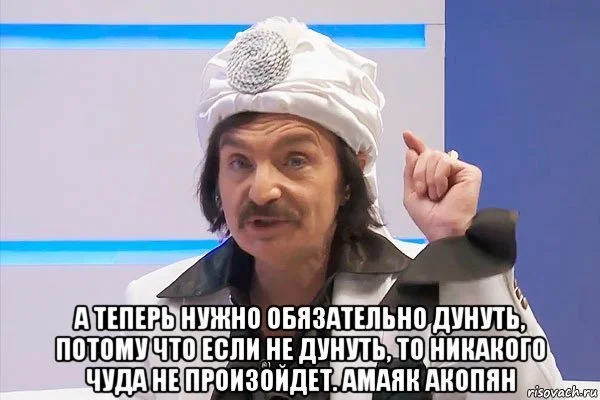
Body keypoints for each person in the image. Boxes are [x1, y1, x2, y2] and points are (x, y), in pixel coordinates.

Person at [125, 17, 562, 399]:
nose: (261, 191)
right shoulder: (154, 308)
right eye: (239, 162)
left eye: (295, 160)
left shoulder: (432, 295)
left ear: (350, 179)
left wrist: (457, 244)